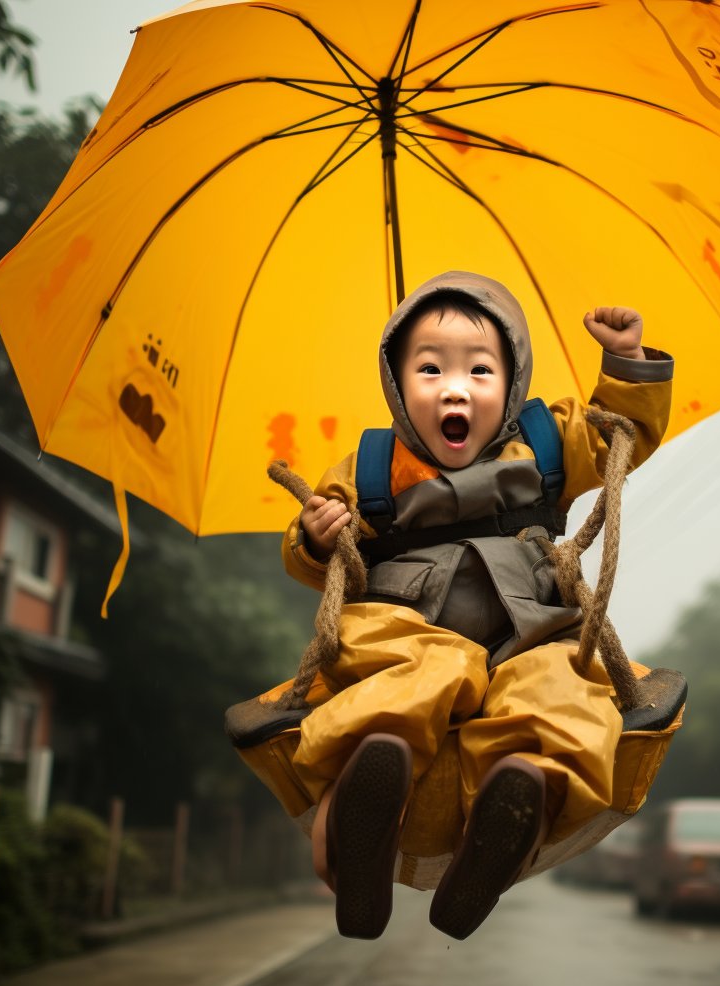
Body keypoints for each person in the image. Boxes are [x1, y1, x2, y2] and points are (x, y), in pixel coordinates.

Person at [280, 271, 672, 940]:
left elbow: (621, 433)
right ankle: (368, 818)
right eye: (429, 369)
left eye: (479, 370)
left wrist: (627, 363)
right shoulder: (369, 468)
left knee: (558, 696)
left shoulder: (547, 442)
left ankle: (510, 809)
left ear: (513, 382)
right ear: (398, 386)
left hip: (529, 627)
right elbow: (316, 560)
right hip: (408, 625)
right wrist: (316, 539)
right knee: (410, 676)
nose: (454, 387)